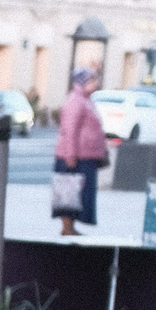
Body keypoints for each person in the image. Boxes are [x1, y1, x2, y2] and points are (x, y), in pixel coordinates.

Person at [52, 66, 107, 236]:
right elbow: (70, 130)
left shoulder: (85, 99)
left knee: (78, 193)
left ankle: (71, 226)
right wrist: (70, 155)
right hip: (75, 156)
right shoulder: (75, 100)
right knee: (69, 191)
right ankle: (67, 227)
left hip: (85, 155)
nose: (96, 83)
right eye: (92, 79)